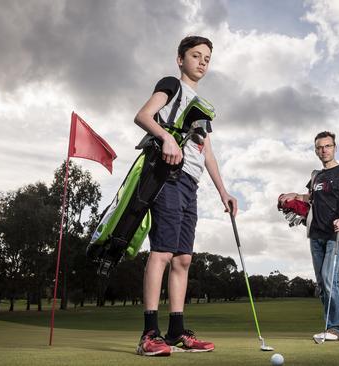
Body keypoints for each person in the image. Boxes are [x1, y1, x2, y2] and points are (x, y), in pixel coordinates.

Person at [133, 36, 237, 356]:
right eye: (196, 55)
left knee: (184, 259)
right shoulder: (172, 86)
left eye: (207, 57)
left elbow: (207, 153)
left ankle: (177, 332)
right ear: (181, 59)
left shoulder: (202, 107)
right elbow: (144, 116)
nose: (203, 61)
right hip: (168, 177)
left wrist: (223, 192)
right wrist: (165, 137)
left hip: (191, 184)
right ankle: (150, 334)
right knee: (162, 253)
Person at [279, 131, 339, 342]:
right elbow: (310, 197)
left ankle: (336, 329)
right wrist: (294, 195)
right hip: (315, 234)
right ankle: (328, 328)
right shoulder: (316, 176)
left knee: (329, 279)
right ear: (316, 150)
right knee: (322, 283)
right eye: (319, 147)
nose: (324, 150)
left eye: (327, 146)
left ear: (335, 147)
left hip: (337, 233)